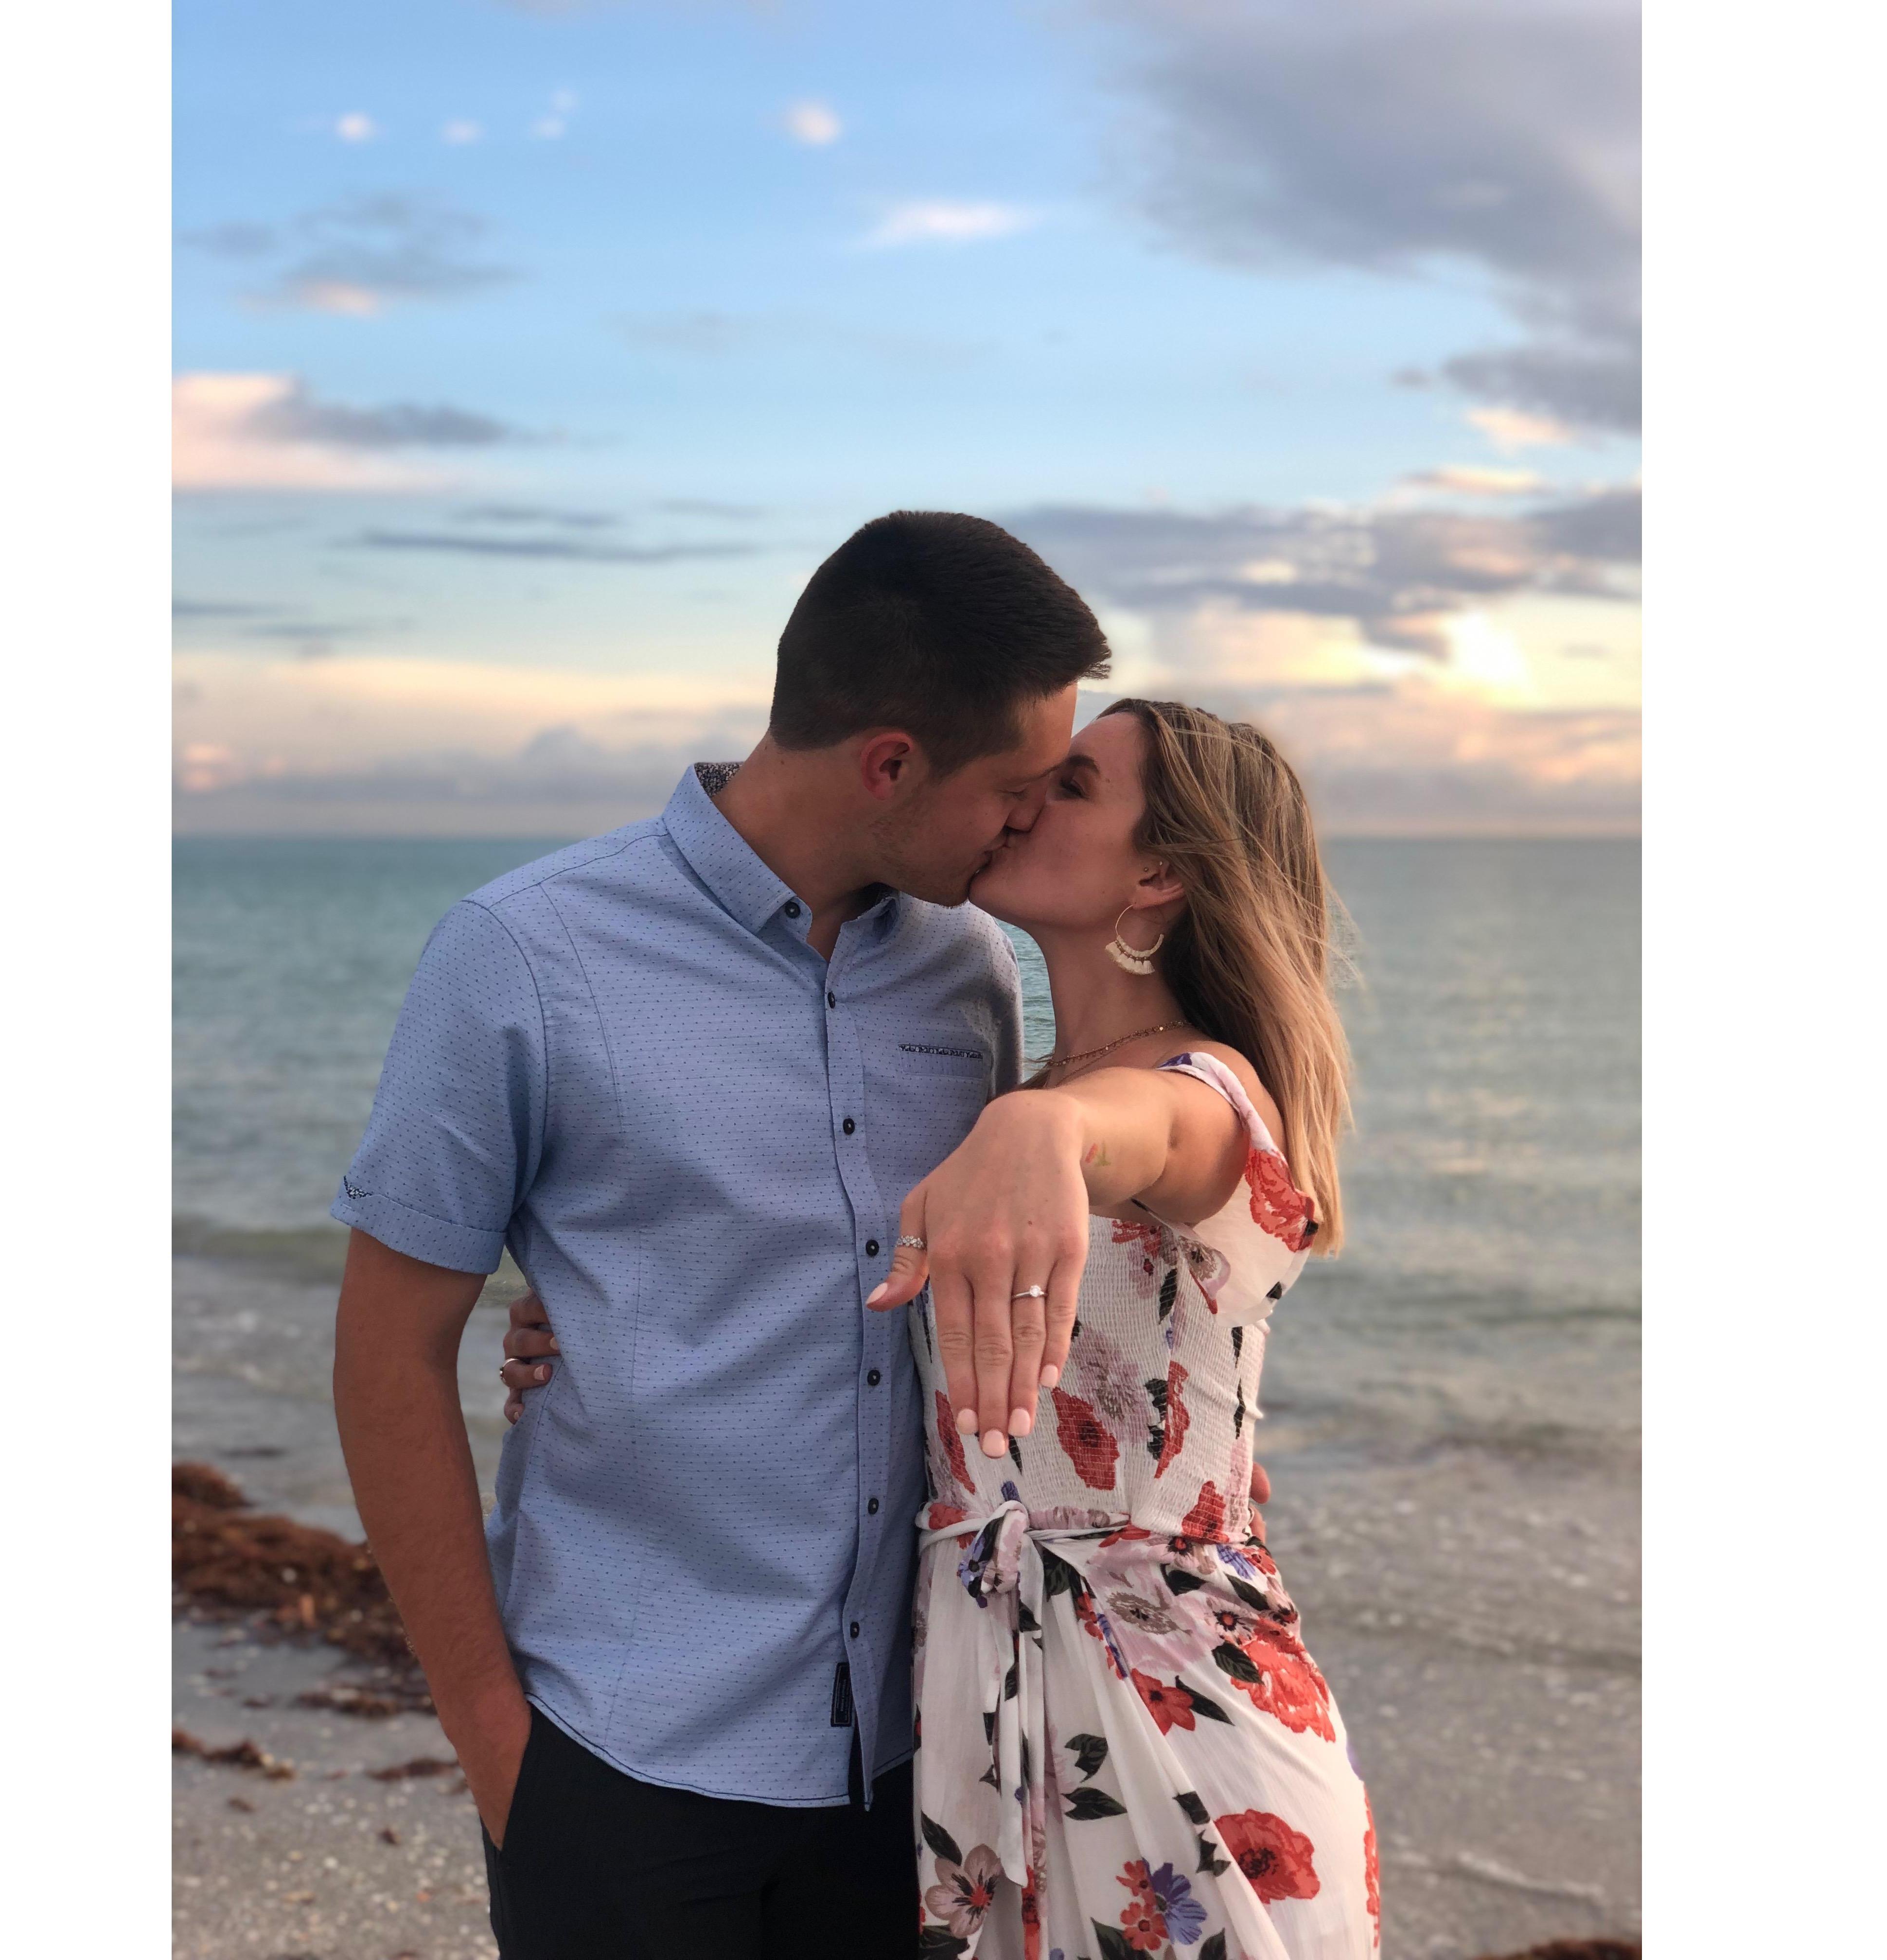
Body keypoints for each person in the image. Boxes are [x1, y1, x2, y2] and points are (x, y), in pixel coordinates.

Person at [328, 509, 1111, 1960]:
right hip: (615, 1761)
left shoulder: (970, 973)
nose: (1028, 822)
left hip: (907, 1771)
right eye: (1012, 787)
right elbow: (387, 1354)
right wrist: (499, 1746)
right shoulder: (521, 954)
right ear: (888, 762)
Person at [504, 700, 1376, 1957]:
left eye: (1071, 787)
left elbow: (1147, 1135)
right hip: (980, 1722)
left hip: (1180, 1727)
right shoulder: (1013, 1088)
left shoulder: (1205, 1097)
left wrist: (1048, 1135)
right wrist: (598, 1315)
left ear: (1160, 871)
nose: (1023, 802)